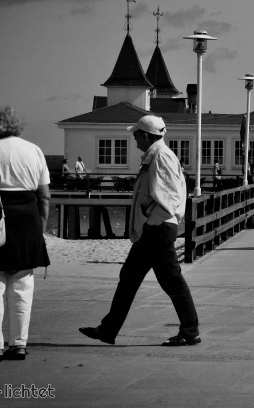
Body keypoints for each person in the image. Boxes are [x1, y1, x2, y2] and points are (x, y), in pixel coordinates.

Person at [80, 115, 200, 347]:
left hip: (157, 228)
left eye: (136, 134)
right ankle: (108, 330)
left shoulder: (161, 156)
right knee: (129, 278)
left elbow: (171, 194)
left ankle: (190, 331)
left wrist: (148, 214)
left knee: (171, 282)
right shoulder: (156, 155)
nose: (134, 139)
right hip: (154, 228)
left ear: (146, 135)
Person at [0, 107, 51, 361]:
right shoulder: (34, 149)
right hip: (28, 221)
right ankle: (19, 345)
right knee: (23, 285)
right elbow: (44, 195)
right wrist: (41, 227)